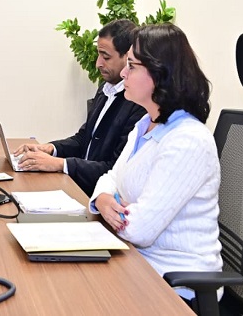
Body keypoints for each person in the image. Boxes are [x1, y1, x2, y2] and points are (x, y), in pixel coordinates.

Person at [90, 23, 222, 302]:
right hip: (136, 262)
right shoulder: (145, 124)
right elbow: (110, 177)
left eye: (132, 66)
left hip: (175, 285)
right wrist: (104, 199)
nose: (123, 73)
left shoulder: (188, 141)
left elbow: (141, 230)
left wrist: (118, 204)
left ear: (159, 74)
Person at [14, 19, 146, 196]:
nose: (98, 63)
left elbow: (114, 169)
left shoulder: (138, 104)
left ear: (127, 57)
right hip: (80, 187)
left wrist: (60, 164)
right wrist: (51, 149)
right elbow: (84, 138)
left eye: (106, 57)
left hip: (98, 195)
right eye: (98, 55)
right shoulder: (105, 89)